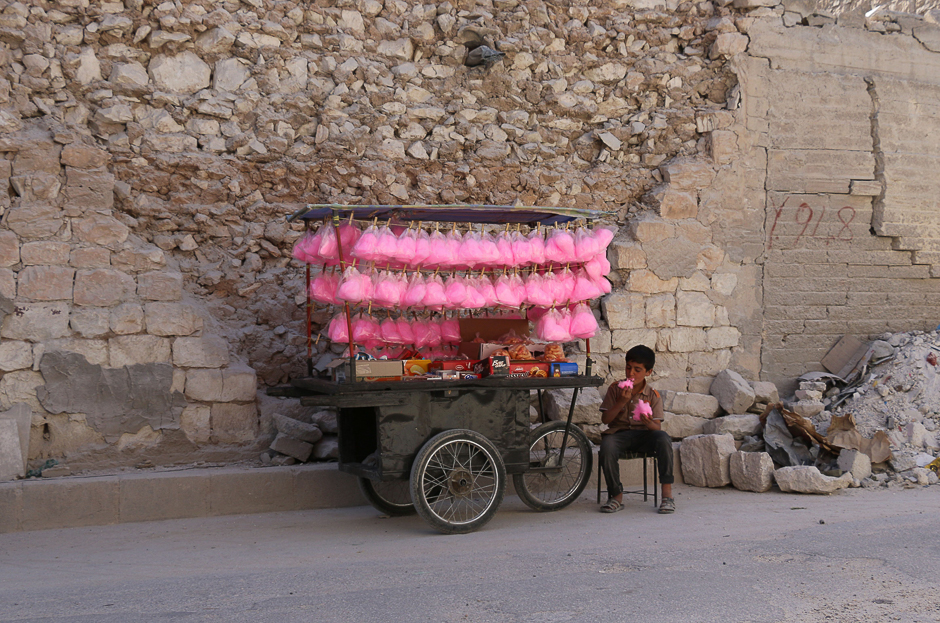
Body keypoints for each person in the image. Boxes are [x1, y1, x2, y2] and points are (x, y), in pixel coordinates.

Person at [598, 345, 675, 514]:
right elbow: (605, 420)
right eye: (628, 368)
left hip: (644, 436)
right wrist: (620, 402)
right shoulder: (614, 389)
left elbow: (657, 426)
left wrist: (648, 423)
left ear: (648, 372)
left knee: (663, 438)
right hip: (619, 434)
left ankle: (667, 495)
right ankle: (616, 495)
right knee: (607, 446)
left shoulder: (653, 395)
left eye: (637, 370)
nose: (631, 373)